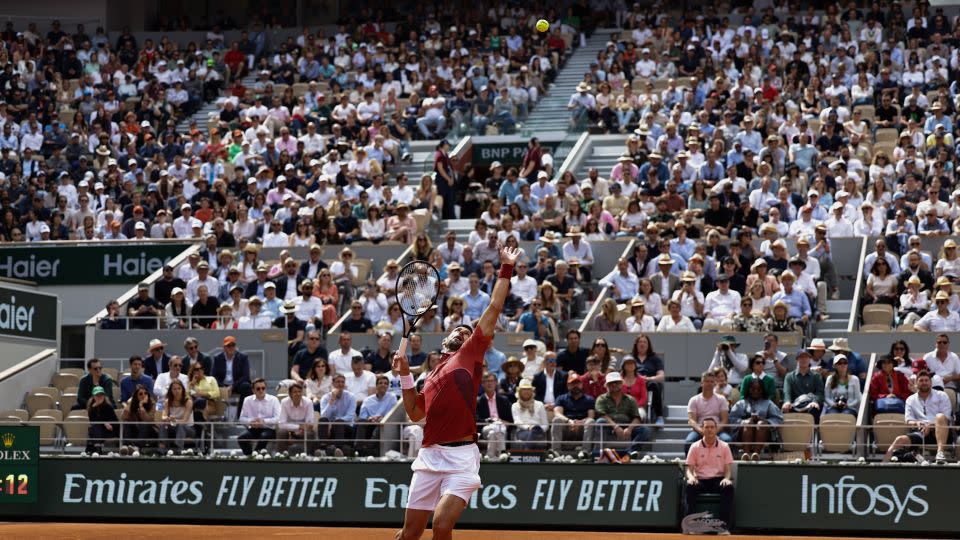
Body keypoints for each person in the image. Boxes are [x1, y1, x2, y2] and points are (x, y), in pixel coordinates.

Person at [393, 242, 520, 540]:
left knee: (441, 526)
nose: (464, 332)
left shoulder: (470, 354)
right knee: (409, 533)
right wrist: (404, 377)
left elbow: (494, 307)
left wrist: (506, 266)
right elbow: (414, 413)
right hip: (429, 456)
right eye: (459, 330)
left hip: (462, 458)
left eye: (468, 332)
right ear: (446, 338)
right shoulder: (432, 374)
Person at [884, 371, 954, 462]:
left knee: (940, 416)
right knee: (899, 440)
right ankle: (882, 465)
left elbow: (947, 417)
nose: (924, 382)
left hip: (943, 433)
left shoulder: (942, 395)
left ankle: (940, 453)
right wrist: (917, 423)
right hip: (921, 433)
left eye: (926, 380)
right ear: (916, 383)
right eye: (921, 380)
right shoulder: (910, 399)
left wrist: (930, 425)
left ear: (931, 382)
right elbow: (908, 420)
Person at [684, 418, 734, 534]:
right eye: (706, 427)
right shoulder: (695, 446)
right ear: (702, 429)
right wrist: (691, 478)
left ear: (716, 429)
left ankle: (723, 527)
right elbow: (689, 469)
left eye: (712, 427)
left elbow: (728, 469)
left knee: (728, 488)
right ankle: (692, 526)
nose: (709, 430)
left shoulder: (725, 446)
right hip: (700, 480)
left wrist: (726, 478)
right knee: (690, 487)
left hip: (718, 480)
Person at [593, 372, 650, 453]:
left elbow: (636, 418)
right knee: (600, 422)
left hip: (626, 427)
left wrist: (629, 429)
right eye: (611, 383)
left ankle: (630, 452)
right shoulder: (601, 398)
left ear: (621, 384)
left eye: (617, 382)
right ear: (607, 385)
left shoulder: (630, 399)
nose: (614, 385)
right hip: (609, 427)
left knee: (645, 430)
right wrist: (616, 427)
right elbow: (601, 415)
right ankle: (598, 452)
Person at [730, 378, 784, 460]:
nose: (756, 391)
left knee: (761, 424)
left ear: (762, 390)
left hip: (764, 432)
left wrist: (765, 421)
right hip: (744, 432)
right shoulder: (742, 403)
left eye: (758, 389)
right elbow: (732, 419)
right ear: (749, 390)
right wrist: (744, 421)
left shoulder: (768, 403)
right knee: (749, 423)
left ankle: (756, 454)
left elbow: (779, 419)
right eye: (753, 389)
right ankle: (746, 454)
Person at [685, 371, 733, 453]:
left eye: (711, 382)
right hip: (699, 430)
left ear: (715, 383)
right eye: (707, 381)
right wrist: (702, 431)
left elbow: (725, 419)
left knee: (728, 440)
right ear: (701, 383)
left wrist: (714, 431)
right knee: (689, 442)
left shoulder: (721, 399)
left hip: (717, 430)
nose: (709, 384)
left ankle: (726, 465)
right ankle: (689, 464)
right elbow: (692, 420)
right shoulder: (693, 400)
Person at [551, 371, 596, 451]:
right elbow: (557, 413)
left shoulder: (589, 399)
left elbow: (591, 416)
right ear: (568, 386)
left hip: (582, 427)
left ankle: (586, 452)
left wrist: (580, 422)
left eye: (577, 383)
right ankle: (555, 451)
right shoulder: (561, 398)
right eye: (572, 384)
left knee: (591, 421)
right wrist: (569, 421)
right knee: (556, 420)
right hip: (567, 427)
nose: (575, 386)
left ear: (582, 385)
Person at [238, 378, 281, 455]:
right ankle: (249, 456)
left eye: (263, 388)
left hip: (268, 429)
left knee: (264, 437)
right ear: (253, 390)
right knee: (241, 438)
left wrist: (264, 421)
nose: (261, 390)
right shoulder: (247, 400)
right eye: (258, 389)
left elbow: (278, 418)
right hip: (253, 428)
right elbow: (242, 418)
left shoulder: (274, 399)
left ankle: (255, 456)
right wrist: (251, 422)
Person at [357, 375, 399, 455]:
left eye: (385, 383)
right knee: (361, 421)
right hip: (370, 422)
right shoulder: (368, 400)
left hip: (383, 422)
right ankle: (359, 448)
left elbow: (392, 414)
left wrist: (381, 418)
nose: (383, 385)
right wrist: (370, 418)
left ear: (388, 386)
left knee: (381, 423)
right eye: (380, 383)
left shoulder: (392, 397)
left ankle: (368, 447)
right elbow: (362, 415)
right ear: (376, 386)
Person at [476, 372, 513, 458]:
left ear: (496, 383)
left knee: (495, 432)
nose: (490, 383)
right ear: (483, 384)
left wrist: (501, 421)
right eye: (487, 381)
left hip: (501, 427)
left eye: (492, 381)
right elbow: (476, 419)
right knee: (494, 430)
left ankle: (490, 457)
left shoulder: (504, 400)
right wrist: (487, 421)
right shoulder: (478, 401)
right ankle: (502, 455)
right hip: (487, 427)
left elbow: (511, 420)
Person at [782, 349, 825, 422]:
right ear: (797, 360)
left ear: (810, 359)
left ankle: (812, 432)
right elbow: (787, 392)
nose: (804, 359)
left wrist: (815, 401)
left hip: (810, 404)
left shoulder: (816, 376)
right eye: (801, 357)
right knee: (786, 408)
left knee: (814, 408)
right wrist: (787, 401)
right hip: (795, 405)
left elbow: (820, 393)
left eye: (806, 357)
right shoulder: (789, 376)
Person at [318, 373, 357, 455]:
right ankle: (322, 448)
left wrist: (335, 422)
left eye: (342, 382)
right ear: (333, 383)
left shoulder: (351, 397)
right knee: (322, 420)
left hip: (347, 428)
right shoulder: (325, 397)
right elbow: (324, 416)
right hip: (331, 428)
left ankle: (338, 448)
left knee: (339, 422)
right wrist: (332, 400)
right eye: (338, 382)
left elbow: (350, 416)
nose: (340, 384)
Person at [213, 335, 252, 413]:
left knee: (246, 386)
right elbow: (214, 376)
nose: (231, 348)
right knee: (212, 387)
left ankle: (241, 414)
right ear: (224, 347)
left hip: (236, 384)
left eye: (233, 345)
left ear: (235, 346)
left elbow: (246, 376)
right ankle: (218, 415)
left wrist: (232, 386)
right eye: (228, 346)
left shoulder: (243, 357)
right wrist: (224, 387)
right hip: (222, 385)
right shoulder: (217, 358)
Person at [278, 382, 316, 454]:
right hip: (290, 431)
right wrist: (298, 427)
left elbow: (310, 423)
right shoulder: (284, 402)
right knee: (281, 432)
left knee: (310, 433)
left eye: (299, 392)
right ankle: (281, 456)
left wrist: (302, 428)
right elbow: (281, 424)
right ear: (290, 394)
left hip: (305, 431)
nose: (298, 394)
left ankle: (309, 456)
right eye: (295, 392)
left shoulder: (308, 402)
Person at [511, 379, 548, 450]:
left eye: (528, 389)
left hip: (539, 430)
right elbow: (517, 421)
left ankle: (527, 450)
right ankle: (529, 451)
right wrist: (529, 427)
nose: (526, 391)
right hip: (522, 431)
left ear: (531, 391)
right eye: (524, 389)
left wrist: (539, 429)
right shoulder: (515, 405)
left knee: (535, 433)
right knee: (532, 434)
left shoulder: (540, 404)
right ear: (519, 392)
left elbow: (545, 424)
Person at [121, 384, 158, 448]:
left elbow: (148, 420)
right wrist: (129, 404)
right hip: (135, 429)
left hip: (149, 430)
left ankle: (137, 446)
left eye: (145, 393)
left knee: (145, 424)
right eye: (140, 394)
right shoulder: (132, 403)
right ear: (136, 396)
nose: (143, 395)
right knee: (126, 423)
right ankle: (126, 446)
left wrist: (141, 406)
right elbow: (123, 417)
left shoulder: (151, 403)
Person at [161, 379, 193, 450]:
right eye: (174, 389)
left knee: (181, 426)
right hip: (174, 427)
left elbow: (185, 420)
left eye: (179, 388)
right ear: (171, 391)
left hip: (188, 428)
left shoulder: (188, 401)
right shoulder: (167, 401)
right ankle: (162, 448)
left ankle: (179, 449)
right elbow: (163, 416)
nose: (177, 391)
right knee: (164, 424)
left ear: (182, 390)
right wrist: (167, 418)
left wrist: (175, 420)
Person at [86, 386, 118, 453]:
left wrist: (111, 425)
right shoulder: (91, 408)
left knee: (92, 430)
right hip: (98, 431)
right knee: (94, 427)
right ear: (93, 396)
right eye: (97, 395)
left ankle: (93, 448)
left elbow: (115, 421)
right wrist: (94, 407)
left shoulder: (108, 407)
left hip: (109, 431)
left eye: (101, 395)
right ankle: (97, 448)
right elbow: (93, 421)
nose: (99, 397)